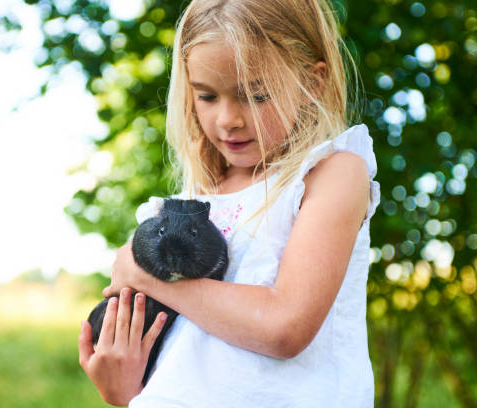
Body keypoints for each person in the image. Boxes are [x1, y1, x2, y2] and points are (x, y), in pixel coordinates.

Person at [78, 0, 380, 406]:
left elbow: (284, 326)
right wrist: (123, 391)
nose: (228, 119)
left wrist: (149, 278)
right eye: (206, 96)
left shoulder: (329, 176)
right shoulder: (191, 199)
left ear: (314, 82)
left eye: (256, 95)